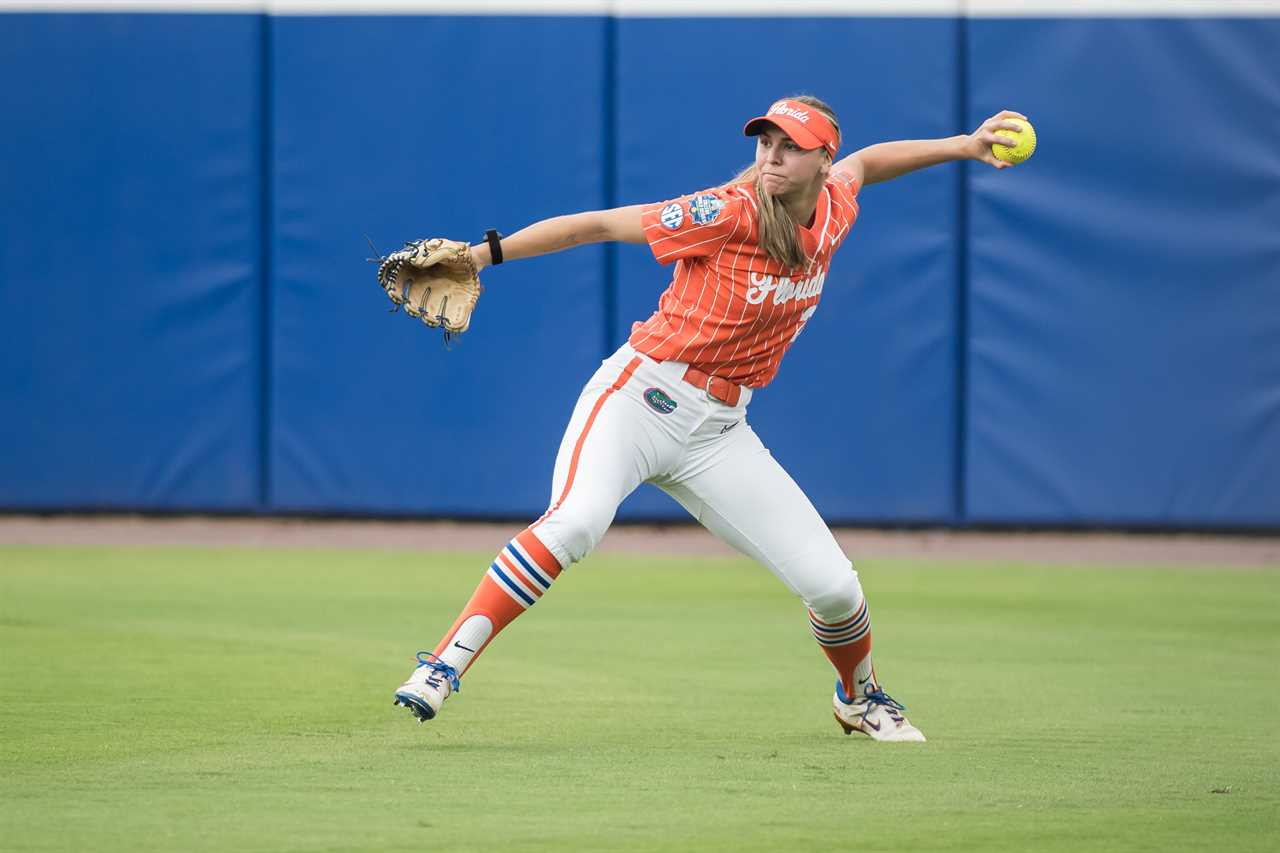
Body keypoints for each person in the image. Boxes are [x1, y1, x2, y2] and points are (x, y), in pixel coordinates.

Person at [392, 95, 1027, 741]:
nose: (773, 155)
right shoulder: (724, 211)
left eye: (791, 145)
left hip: (721, 431)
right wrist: (480, 255)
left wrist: (963, 145)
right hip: (639, 399)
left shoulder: (834, 204)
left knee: (834, 587)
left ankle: (859, 698)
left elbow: (867, 162)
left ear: (820, 159)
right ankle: (443, 665)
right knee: (575, 522)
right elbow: (599, 226)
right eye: (765, 142)